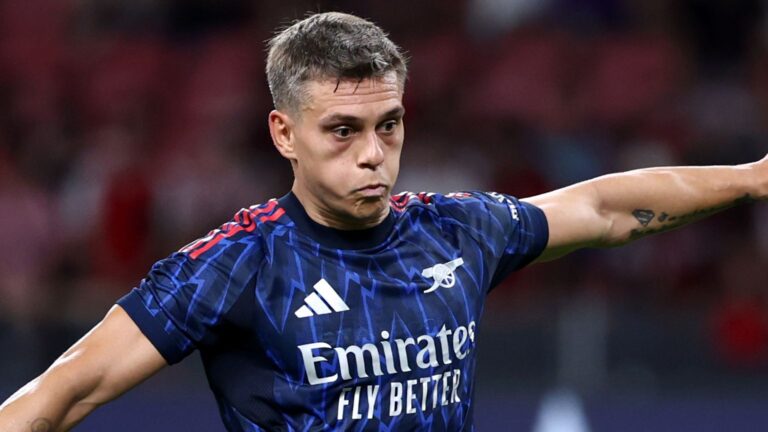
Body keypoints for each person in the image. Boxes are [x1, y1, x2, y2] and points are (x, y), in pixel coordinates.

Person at [0, 11, 766, 432]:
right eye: (343, 130)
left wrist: (754, 177)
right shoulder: (232, 266)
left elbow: (602, 207)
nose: (374, 154)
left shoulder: (459, 231)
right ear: (284, 134)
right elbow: (63, 394)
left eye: (389, 125)